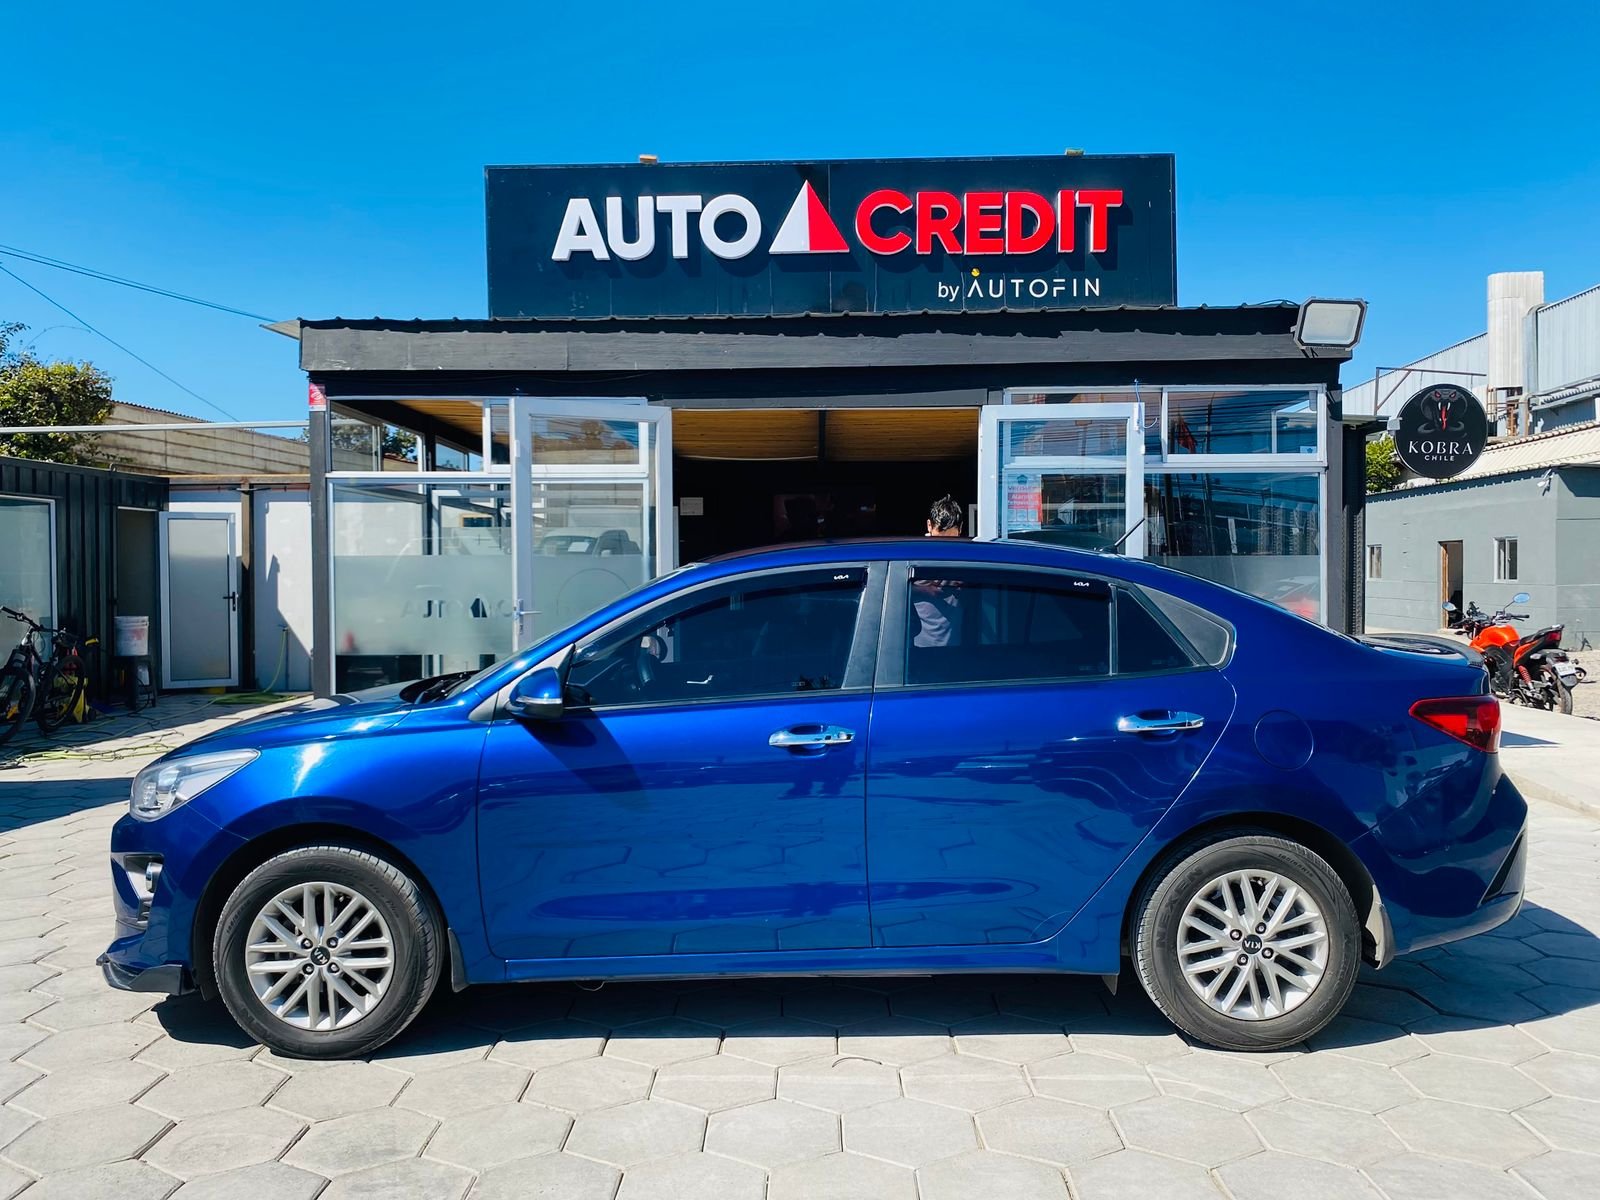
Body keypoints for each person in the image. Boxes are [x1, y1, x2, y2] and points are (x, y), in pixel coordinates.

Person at [914, 496, 964, 648]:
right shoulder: (914, 555)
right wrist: (924, 590)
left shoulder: (966, 557)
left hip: (953, 647)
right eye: (940, 539)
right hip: (919, 648)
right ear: (929, 525)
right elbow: (893, 588)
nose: (945, 547)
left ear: (960, 529)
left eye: (951, 540)